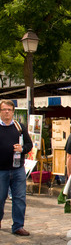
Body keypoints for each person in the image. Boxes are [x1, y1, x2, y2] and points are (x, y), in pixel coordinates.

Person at [0, 100, 33, 236]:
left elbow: (29, 145)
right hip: (1, 169)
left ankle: (18, 226)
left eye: (9, 109)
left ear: (13, 112)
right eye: (4, 109)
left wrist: (22, 148)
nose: (7, 112)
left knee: (19, 198)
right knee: (0, 198)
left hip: (17, 168)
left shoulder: (19, 127)